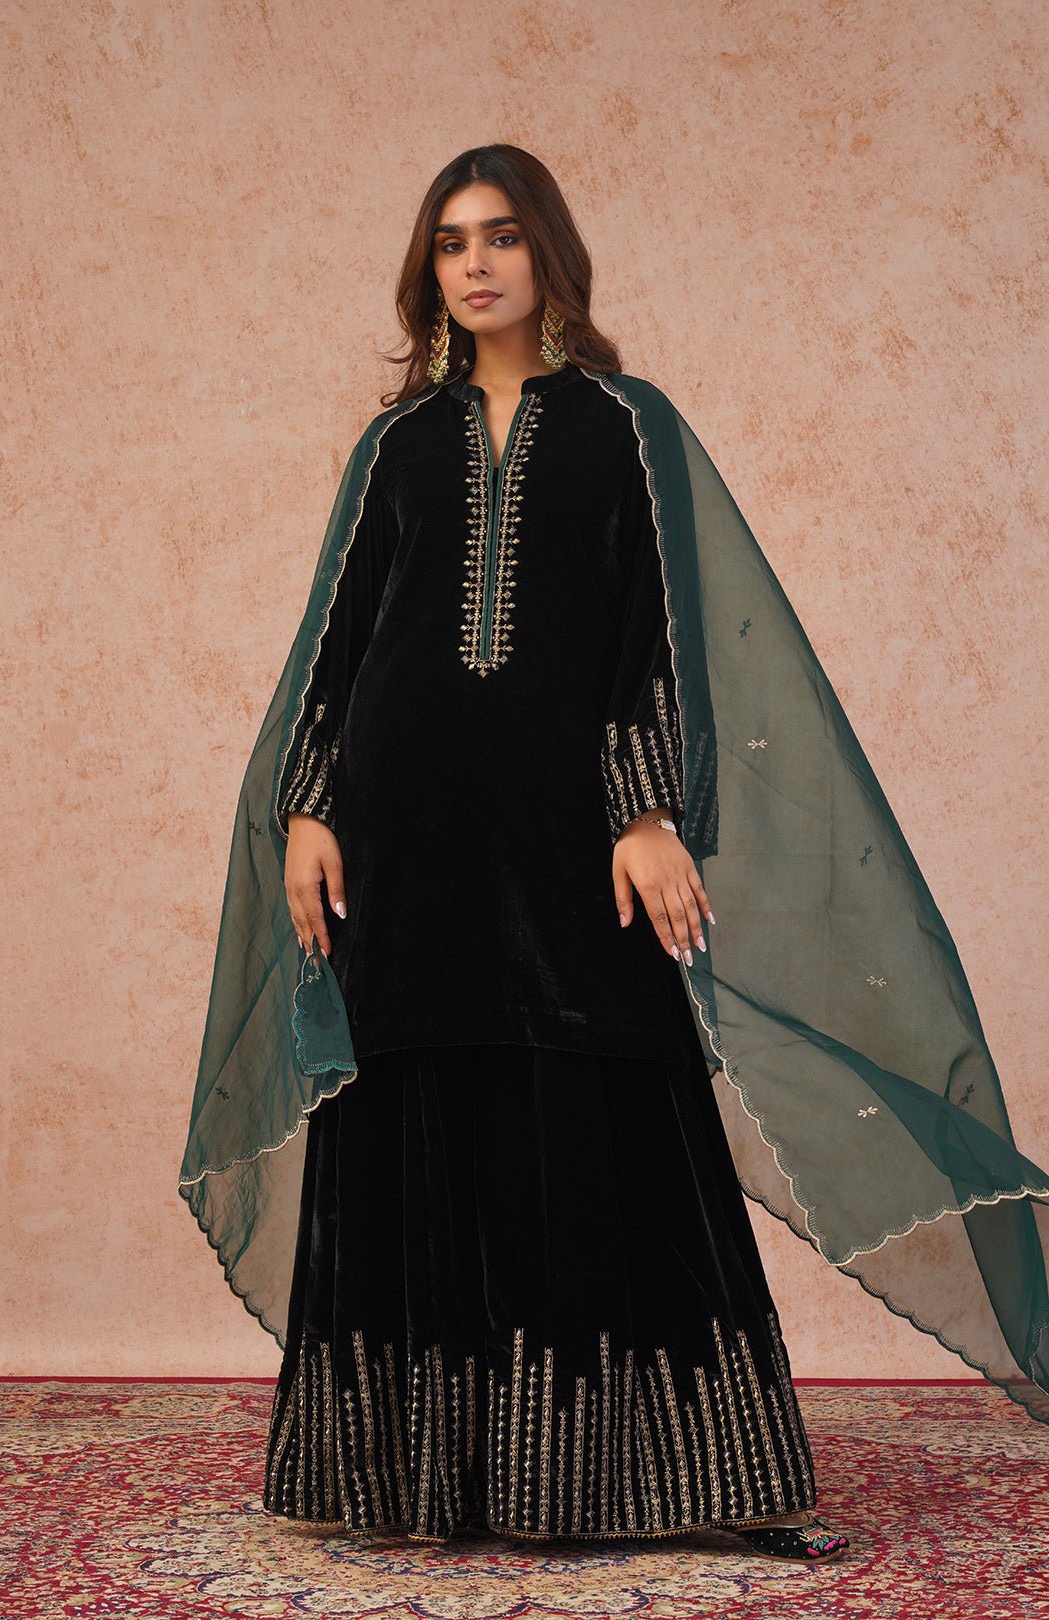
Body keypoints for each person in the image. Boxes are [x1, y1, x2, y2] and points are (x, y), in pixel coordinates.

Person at [179, 143, 1049, 1561]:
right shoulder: (396, 446)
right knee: (416, 1106)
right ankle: (418, 1482)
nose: (475, 264)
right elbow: (341, 641)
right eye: (451, 241)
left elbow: (659, 634)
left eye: (501, 236)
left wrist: (643, 814)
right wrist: (310, 808)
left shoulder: (625, 428)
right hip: (405, 839)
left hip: (569, 834)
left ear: (549, 254)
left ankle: (685, 1479)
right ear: (428, 270)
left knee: (613, 1106)